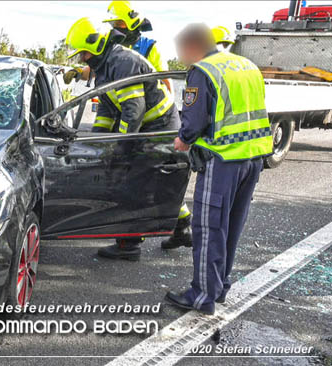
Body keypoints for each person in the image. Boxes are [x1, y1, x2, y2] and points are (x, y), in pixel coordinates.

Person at [165, 23, 272, 315]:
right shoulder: (247, 65)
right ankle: (220, 286)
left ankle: (202, 296)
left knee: (209, 228)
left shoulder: (204, 70)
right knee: (231, 227)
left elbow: (194, 120)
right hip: (253, 159)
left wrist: (182, 139)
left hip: (222, 159)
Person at [65, 17, 181, 261]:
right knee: (155, 182)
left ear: (95, 45)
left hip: (158, 123)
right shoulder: (105, 68)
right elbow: (108, 111)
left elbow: (133, 109)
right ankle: (184, 228)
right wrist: (96, 143)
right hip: (147, 124)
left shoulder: (122, 62)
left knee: (134, 182)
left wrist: (122, 145)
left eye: (83, 54)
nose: (82, 59)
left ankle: (128, 246)